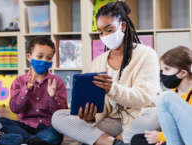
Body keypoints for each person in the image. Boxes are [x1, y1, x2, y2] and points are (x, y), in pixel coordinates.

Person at [52, 1, 161, 145]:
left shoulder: (146, 54)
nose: (104, 36)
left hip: (140, 116)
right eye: (100, 32)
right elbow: (102, 106)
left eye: (109, 30)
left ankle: (103, 140)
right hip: (112, 120)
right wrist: (89, 116)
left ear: (122, 26)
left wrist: (112, 89)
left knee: (157, 114)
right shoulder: (98, 62)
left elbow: (145, 98)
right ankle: (115, 143)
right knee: (58, 116)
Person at [0, 36, 68, 145]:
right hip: (24, 126)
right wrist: (27, 89)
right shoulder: (19, 81)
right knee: (1, 121)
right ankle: (33, 141)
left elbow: (61, 114)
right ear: (29, 57)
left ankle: (26, 141)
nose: (44, 61)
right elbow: (15, 108)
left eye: (49, 58)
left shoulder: (57, 82)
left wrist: (52, 97)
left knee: (56, 134)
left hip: (48, 127)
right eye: (40, 56)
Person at [131, 46, 192, 145]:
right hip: (174, 138)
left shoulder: (169, 98)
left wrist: (160, 137)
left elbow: (187, 129)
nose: (162, 74)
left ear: (183, 73)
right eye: (162, 69)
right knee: (137, 139)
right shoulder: (174, 92)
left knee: (165, 97)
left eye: (167, 69)